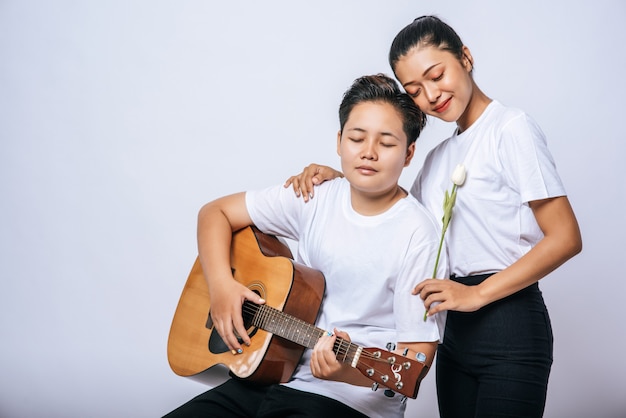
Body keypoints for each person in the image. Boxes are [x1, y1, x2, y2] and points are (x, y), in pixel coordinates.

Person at [284, 15, 582, 418]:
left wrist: (476, 294)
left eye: (437, 74)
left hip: (509, 324)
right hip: (453, 332)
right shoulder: (438, 159)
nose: (432, 94)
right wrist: (342, 176)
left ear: (466, 57)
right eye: (415, 89)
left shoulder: (510, 128)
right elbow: (397, 211)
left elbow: (565, 237)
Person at [163, 74, 447, 418]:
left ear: (408, 153)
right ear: (340, 141)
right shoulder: (316, 195)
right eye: (357, 138)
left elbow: (415, 355)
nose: (369, 153)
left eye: (386, 144)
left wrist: (342, 370)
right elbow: (215, 213)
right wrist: (222, 286)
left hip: (347, 399)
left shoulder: (419, 234)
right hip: (270, 373)